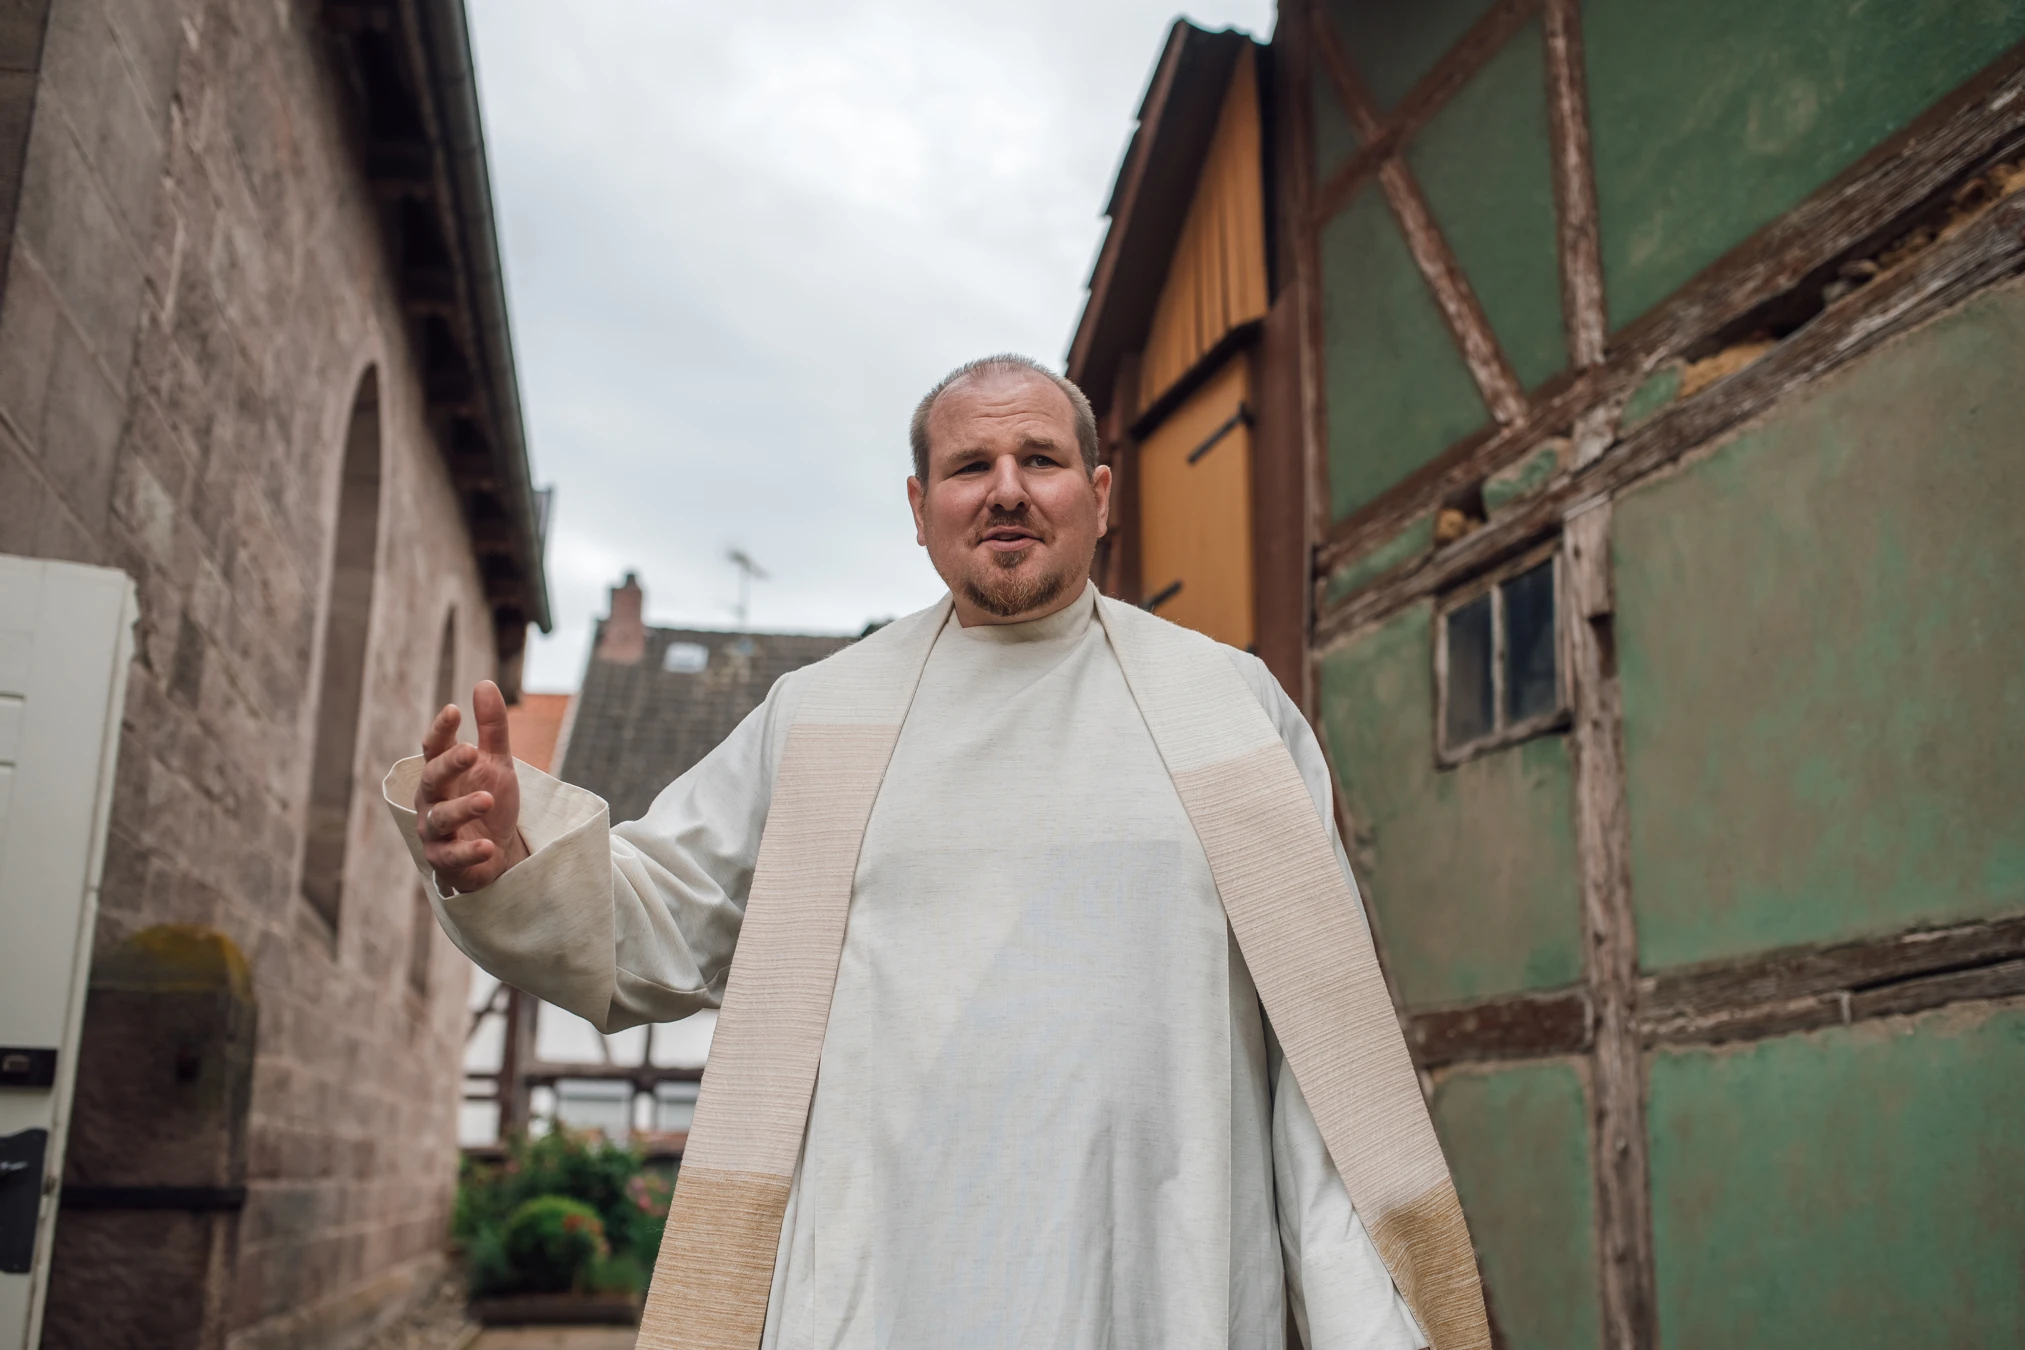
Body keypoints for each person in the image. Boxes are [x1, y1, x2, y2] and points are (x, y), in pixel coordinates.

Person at [384, 355, 1488, 1350]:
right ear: (920, 510)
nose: (1006, 489)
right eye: (969, 466)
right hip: (879, 1288)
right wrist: (514, 856)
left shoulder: (1233, 712)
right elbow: (658, 919)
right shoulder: (820, 717)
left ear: (1100, 496)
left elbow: (1322, 1055)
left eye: (1040, 459)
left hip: (1165, 1278)